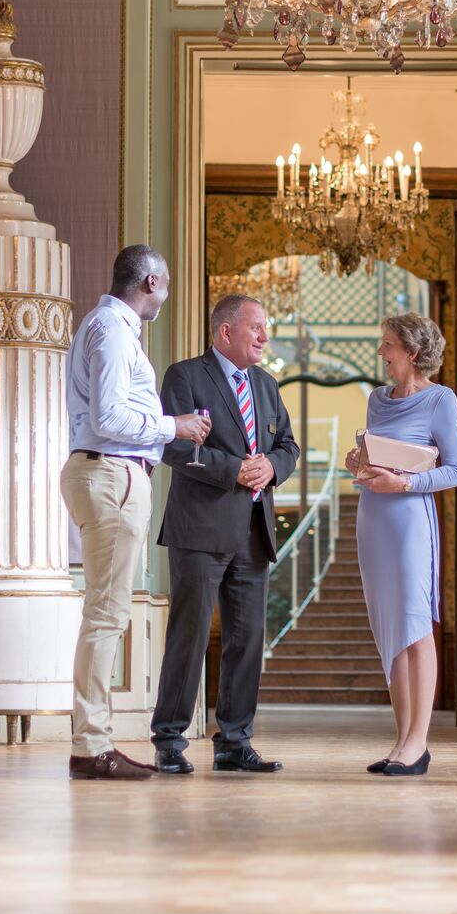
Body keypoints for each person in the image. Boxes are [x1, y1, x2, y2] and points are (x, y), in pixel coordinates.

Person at [61, 245, 211, 781]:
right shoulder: (113, 329)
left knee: (106, 612)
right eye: (165, 285)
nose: (165, 298)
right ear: (151, 280)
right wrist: (177, 426)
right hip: (112, 474)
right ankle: (91, 745)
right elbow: (109, 416)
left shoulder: (107, 327)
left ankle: (93, 740)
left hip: (106, 473)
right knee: (106, 615)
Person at [150, 294, 300, 775]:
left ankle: (234, 742)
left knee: (246, 640)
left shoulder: (267, 383)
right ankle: (170, 741)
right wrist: (235, 469)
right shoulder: (185, 376)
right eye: (256, 327)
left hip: (253, 532)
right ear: (225, 331)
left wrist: (269, 468)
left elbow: (288, 446)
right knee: (189, 637)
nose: (264, 336)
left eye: (266, 329)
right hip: (199, 530)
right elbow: (173, 445)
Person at [343, 312, 457, 777]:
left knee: (415, 625)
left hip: (411, 520)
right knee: (389, 630)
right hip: (373, 518)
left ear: (412, 353)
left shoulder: (441, 400)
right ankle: (400, 742)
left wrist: (406, 484)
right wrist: (360, 459)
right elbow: (377, 458)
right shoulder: (377, 399)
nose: (381, 352)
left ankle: (418, 743)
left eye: (388, 344)